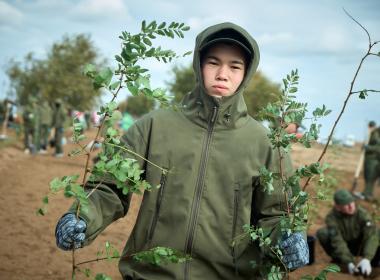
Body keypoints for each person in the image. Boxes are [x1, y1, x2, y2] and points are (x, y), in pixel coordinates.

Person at [55, 22, 308, 279]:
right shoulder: (153, 127)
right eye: (213, 62)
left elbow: (276, 214)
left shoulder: (265, 144)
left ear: (246, 73)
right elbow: (109, 188)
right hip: (150, 274)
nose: (223, 74)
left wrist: (290, 236)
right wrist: (82, 217)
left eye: (235, 66)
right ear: (198, 65)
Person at [317, 189, 380, 276]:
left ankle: (374, 261)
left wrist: (367, 258)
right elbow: (337, 241)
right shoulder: (331, 218)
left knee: (377, 232)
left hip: (360, 246)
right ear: (338, 207)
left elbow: (371, 235)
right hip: (345, 246)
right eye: (346, 204)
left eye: (351, 202)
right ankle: (340, 261)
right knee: (323, 233)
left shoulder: (362, 214)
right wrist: (349, 261)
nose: (351, 206)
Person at [361, 121, 380, 200]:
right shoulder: (373, 133)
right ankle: (366, 193)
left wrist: (368, 148)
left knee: (370, 178)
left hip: (374, 161)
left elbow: (378, 148)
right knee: (367, 177)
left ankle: (368, 195)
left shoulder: (377, 135)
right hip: (369, 159)